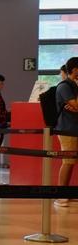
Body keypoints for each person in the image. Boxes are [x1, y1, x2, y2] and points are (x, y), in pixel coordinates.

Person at [55, 58, 78, 207]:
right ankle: (59, 195)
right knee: (67, 161)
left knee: (71, 162)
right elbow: (75, 104)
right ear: (74, 69)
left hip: (74, 128)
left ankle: (67, 194)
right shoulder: (64, 86)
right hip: (67, 129)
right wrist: (75, 105)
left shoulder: (74, 86)